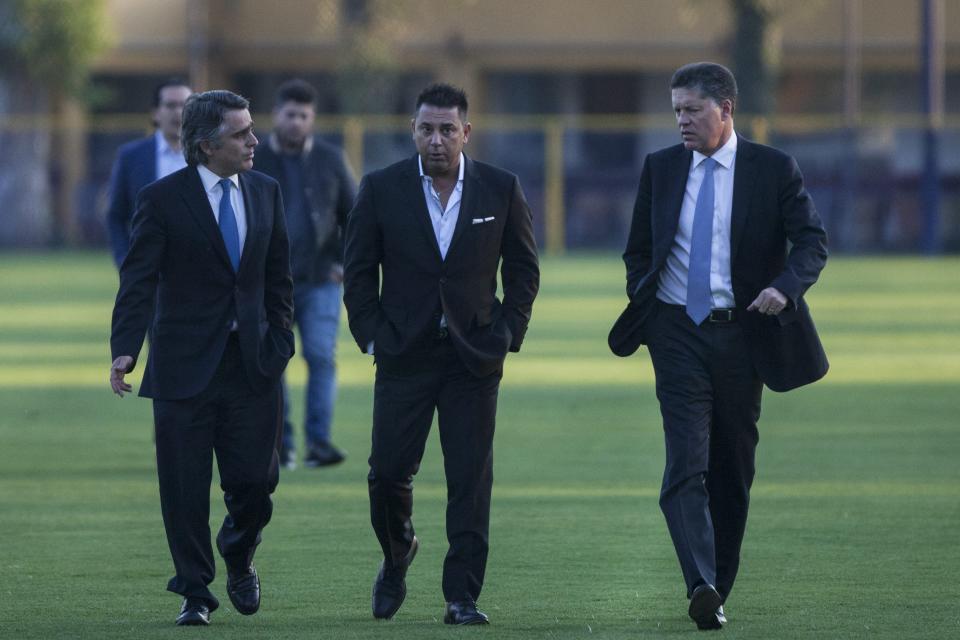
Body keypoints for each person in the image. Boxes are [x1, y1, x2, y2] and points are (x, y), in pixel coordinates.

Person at [608, 62, 829, 630]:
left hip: (743, 332)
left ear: (726, 109)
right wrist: (646, 298)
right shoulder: (659, 169)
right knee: (685, 459)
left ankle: (717, 589)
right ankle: (699, 581)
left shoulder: (772, 168)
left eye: (693, 110)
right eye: (676, 110)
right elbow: (638, 251)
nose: (681, 120)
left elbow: (811, 241)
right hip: (676, 331)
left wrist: (785, 287)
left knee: (731, 470)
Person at [343, 83, 539, 625]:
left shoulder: (501, 189)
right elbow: (358, 273)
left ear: (466, 133)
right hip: (403, 356)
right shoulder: (381, 189)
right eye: (426, 129)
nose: (436, 139)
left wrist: (506, 333)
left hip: (474, 360)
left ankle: (462, 597)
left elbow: (524, 271)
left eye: (447, 129)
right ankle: (397, 551)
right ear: (413, 131)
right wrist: (373, 334)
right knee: (386, 474)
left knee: (470, 481)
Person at [109, 90, 294, 626]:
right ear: (207, 145)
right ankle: (194, 591)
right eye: (241, 134)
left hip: (254, 365)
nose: (254, 140)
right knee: (184, 489)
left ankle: (239, 555)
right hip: (183, 368)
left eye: (251, 129)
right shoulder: (162, 199)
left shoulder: (266, 190)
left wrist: (280, 338)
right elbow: (138, 279)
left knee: (257, 485)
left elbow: (279, 276)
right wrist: (125, 347)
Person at [254, 79, 356, 469]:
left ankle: (319, 442)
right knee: (272, 363)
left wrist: (342, 264)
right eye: (289, 114)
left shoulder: (330, 158)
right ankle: (282, 444)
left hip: (319, 280)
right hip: (268, 283)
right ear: (276, 115)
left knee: (320, 356)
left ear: (312, 119)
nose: (296, 122)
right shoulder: (254, 157)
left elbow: (356, 217)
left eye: (303, 116)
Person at [106, 78, 192, 268]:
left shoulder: (207, 155)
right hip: (149, 267)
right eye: (170, 105)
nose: (178, 112)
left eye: (184, 105)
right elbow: (115, 215)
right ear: (155, 113)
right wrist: (124, 261)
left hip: (196, 266)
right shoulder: (131, 156)